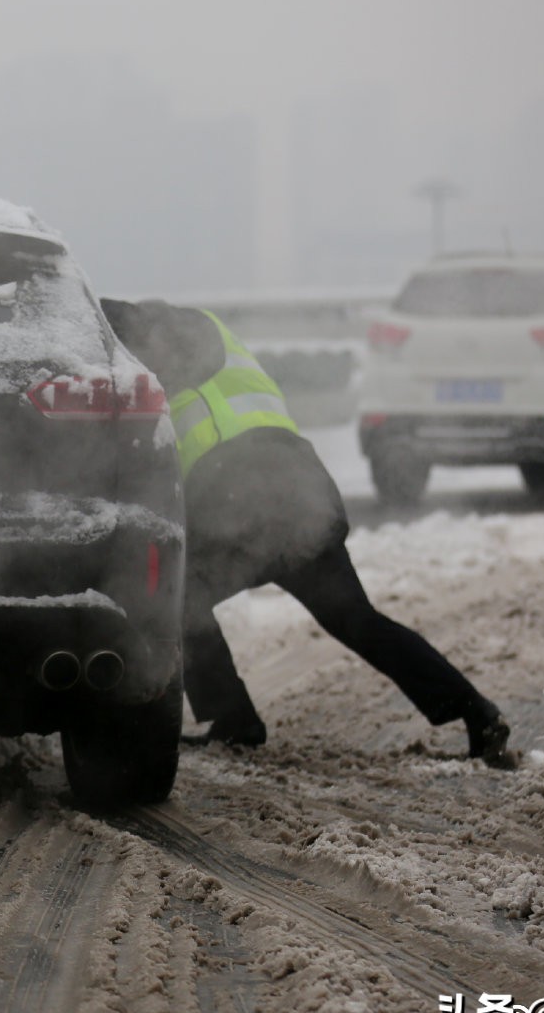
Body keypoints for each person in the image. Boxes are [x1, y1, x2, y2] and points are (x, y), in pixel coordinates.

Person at [100, 298, 512, 766]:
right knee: (360, 621)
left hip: (242, 495)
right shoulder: (218, 341)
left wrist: (81, 309)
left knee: (177, 598)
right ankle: (477, 712)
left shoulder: (174, 331)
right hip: (301, 491)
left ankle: (234, 720)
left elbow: (124, 319)